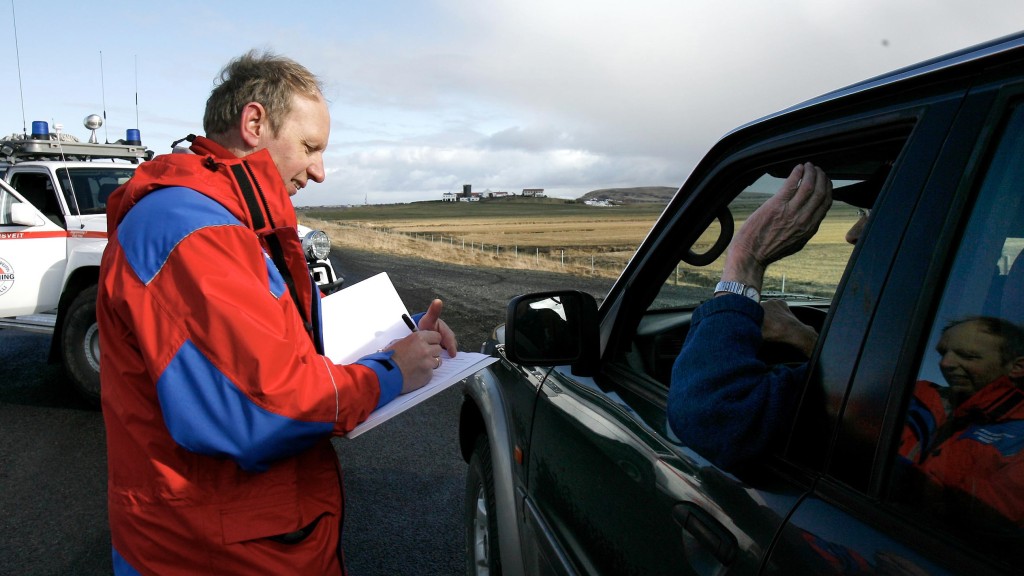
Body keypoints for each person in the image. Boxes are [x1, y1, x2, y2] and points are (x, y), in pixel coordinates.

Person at [97, 50, 457, 575]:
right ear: (254, 123)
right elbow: (265, 409)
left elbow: (273, 349)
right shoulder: (197, 232)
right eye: (310, 147)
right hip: (212, 551)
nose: (319, 171)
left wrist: (395, 342)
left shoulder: (223, 220)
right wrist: (392, 373)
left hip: (239, 533)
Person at [667, 162, 833, 470]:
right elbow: (859, 381)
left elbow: (712, 418)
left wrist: (747, 259)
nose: (852, 234)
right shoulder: (920, 351)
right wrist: (807, 339)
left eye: (869, 217)